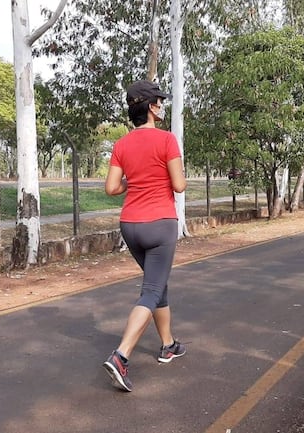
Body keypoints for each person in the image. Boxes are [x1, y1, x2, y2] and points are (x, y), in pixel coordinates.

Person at [101, 80, 187, 392]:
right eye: (159, 102)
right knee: (151, 290)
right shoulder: (166, 140)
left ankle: (168, 344)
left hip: (131, 225)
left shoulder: (121, 145)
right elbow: (179, 185)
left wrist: (134, 180)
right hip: (159, 223)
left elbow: (112, 188)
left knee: (157, 284)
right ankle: (121, 356)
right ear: (150, 107)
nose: (162, 106)